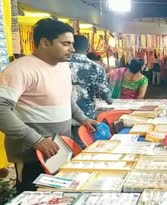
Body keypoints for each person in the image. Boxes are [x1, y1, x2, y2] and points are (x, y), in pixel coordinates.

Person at [0, 18, 97, 193]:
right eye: (66, 43)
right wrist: (37, 140)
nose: (72, 49)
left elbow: (65, 99)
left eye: (72, 44)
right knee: (32, 197)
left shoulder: (62, 66)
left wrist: (84, 119)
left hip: (58, 148)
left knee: (56, 196)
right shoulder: (20, 69)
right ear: (45, 42)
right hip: (31, 153)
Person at [69, 35, 112, 148]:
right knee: (82, 144)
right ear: (88, 48)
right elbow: (105, 93)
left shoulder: (59, 65)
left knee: (64, 146)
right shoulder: (96, 67)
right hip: (85, 113)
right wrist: (109, 99)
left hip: (62, 114)